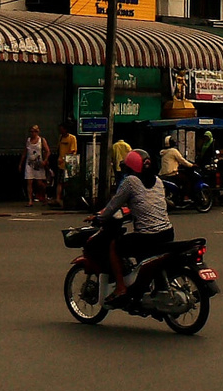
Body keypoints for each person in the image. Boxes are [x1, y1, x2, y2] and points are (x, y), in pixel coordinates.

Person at [90, 149, 173, 305]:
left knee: (115, 246)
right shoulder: (158, 181)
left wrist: (99, 217)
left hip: (148, 237)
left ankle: (120, 287)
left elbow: (114, 205)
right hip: (167, 232)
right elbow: (146, 204)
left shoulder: (130, 181)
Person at [20, 125, 51, 205]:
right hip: (29, 163)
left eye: (34, 131)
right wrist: (21, 163)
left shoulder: (41, 140)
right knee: (29, 181)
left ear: (37, 132)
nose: (32, 133)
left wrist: (45, 161)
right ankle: (30, 200)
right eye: (31, 131)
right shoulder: (28, 140)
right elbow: (25, 152)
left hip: (38, 163)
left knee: (39, 183)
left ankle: (44, 196)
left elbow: (47, 151)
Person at [54, 123, 77, 207]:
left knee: (67, 183)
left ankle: (67, 198)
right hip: (60, 164)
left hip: (68, 164)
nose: (60, 131)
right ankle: (58, 198)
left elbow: (73, 150)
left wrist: (63, 158)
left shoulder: (72, 138)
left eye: (62, 129)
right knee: (59, 182)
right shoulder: (60, 138)